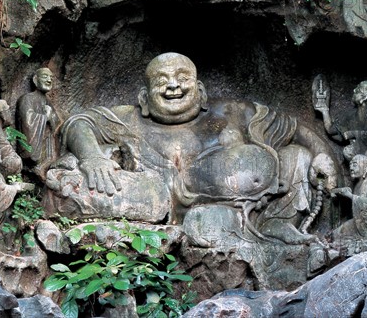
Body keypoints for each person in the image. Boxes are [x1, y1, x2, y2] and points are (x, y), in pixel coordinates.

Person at [51, 52, 339, 244]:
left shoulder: (230, 112)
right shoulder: (130, 119)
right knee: (72, 183)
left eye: (182, 78)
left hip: (261, 206)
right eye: (161, 82)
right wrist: (91, 157)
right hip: (166, 205)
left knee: (298, 157)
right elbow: (78, 122)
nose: (173, 86)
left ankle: (280, 224)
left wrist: (323, 154)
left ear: (200, 91)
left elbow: (293, 128)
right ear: (144, 98)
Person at [313, 78, 367, 161]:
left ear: (365, 97)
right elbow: (331, 130)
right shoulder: (350, 116)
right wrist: (325, 111)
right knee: (347, 151)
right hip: (356, 154)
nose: (354, 90)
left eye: (358, 90)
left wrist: (353, 134)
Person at [16, 67, 60, 179]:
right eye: (45, 76)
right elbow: (27, 121)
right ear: (35, 80)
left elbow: (57, 124)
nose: (49, 80)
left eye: (51, 77)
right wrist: (45, 117)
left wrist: (52, 118)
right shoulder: (27, 98)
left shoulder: (48, 101)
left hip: (48, 145)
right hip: (37, 147)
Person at [331, 154, 367, 239]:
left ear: (365, 168)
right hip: (357, 222)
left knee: (338, 235)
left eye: (355, 165)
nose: (351, 168)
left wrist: (351, 196)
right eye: (350, 165)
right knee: (335, 234)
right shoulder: (357, 185)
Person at [0, 99, 23, 177]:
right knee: (14, 161)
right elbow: (4, 148)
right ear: (2, 115)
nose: (10, 114)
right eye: (8, 111)